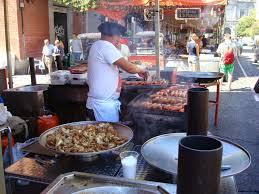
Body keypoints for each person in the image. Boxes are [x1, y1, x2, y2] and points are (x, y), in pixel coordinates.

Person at [86, 22, 148, 122]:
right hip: (102, 108)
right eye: (118, 35)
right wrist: (142, 69)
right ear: (110, 34)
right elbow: (129, 68)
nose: (119, 39)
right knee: (109, 136)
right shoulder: (105, 46)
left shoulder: (96, 45)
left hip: (101, 105)